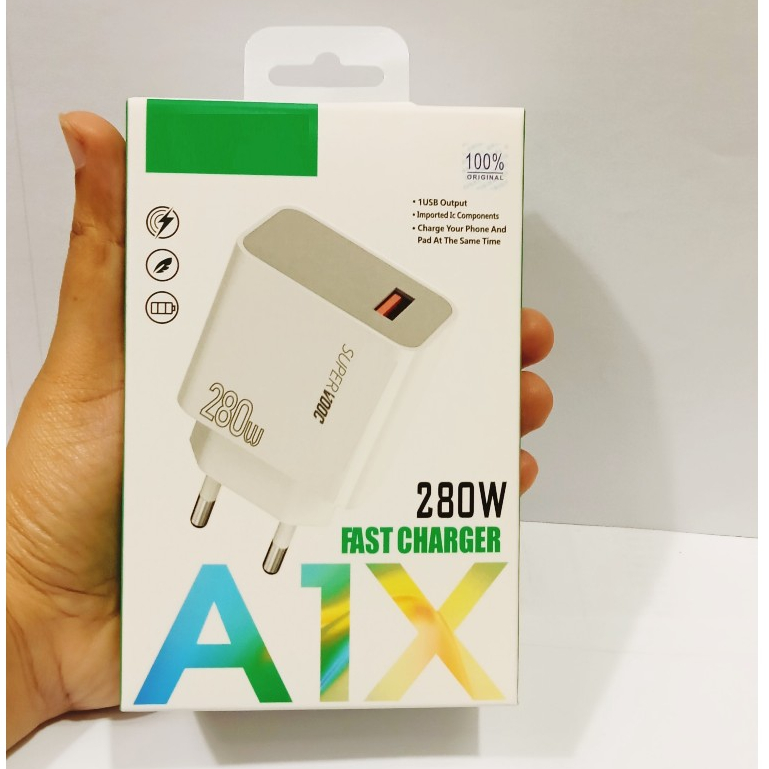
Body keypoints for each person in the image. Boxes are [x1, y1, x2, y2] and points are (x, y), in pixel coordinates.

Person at [6, 112, 554, 749]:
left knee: (377, 360)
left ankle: (249, 513)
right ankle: (241, 510)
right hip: (92, 584)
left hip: (281, 493)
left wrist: (29, 613)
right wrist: (28, 595)